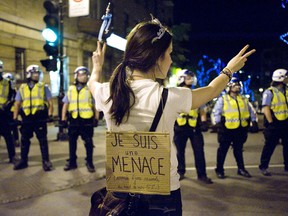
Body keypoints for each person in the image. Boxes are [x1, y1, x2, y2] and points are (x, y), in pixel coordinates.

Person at [88, 15, 255, 215]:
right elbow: (211, 90)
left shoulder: (108, 92)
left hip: (120, 192)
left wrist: (96, 67)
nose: (171, 59)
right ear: (157, 58)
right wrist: (229, 70)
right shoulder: (169, 97)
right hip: (162, 194)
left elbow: (92, 84)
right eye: (169, 53)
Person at [213, 76, 257, 179]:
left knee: (238, 150)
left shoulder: (243, 99)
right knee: (222, 150)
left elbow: (251, 110)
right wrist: (217, 124)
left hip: (240, 129)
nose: (237, 87)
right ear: (229, 87)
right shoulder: (223, 99)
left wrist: (254, 121)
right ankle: (219, 170)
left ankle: (241, 169)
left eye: (238, 85)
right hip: (226, 129)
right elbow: (216, 112)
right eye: (235, 85)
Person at [173, 69, 212, 184]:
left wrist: (204, 122)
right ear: (181, 78)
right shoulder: (175, 93)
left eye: (191, 77)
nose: (191, 79)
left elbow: (202, 110)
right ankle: (180, 172)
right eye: (188, 77)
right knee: (179, 152)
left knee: (199, 151)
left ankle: (202, 175)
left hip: (194, 127)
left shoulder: (196, 93)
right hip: (179, 127)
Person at [13, 65, 53, 171]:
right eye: (34, 73)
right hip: (26, 118)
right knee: (24, 140)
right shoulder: (22, 88)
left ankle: (46, 161)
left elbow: (50, 102)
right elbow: (17, 103)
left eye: (37, 73)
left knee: (43, 140)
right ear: (29, 74)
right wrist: (15, 117)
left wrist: (50, 114)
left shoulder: (43, 86)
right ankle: (23, 161)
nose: (36, 75)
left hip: (39, 117)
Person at [61, 66, 97, 173]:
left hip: (87, 121)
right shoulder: (71, 89)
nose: (84, 77)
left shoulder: (90, 89)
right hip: (74, 120)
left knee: (89, 142)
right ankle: (72, 162)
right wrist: (63, 118)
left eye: (85, 75)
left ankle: (89, 162)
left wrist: (96, 118)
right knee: (72, 142)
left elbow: (96, 105)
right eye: (81, 75)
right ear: (76, 76)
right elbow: (65, 104)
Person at [259, 69, 288, 176]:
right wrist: (271, 123)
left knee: (287, 146)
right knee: (269, 146)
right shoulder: (269, 92)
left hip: (286, 122)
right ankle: (263, 166)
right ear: (281, 79)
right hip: (275, 123)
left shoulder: (286, 90)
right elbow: (266, 108)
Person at [0, 60, 17, 164]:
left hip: (3, 114)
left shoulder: (8, 82)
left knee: (8, 136)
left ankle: (12, 156)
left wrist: (7, 105)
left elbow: (13, 96)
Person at [3, 72, 20, 147]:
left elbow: (15, 100)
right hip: (6, 111)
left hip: (11, 110)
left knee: (13, 127)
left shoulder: (13, 89)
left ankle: (16, 140)